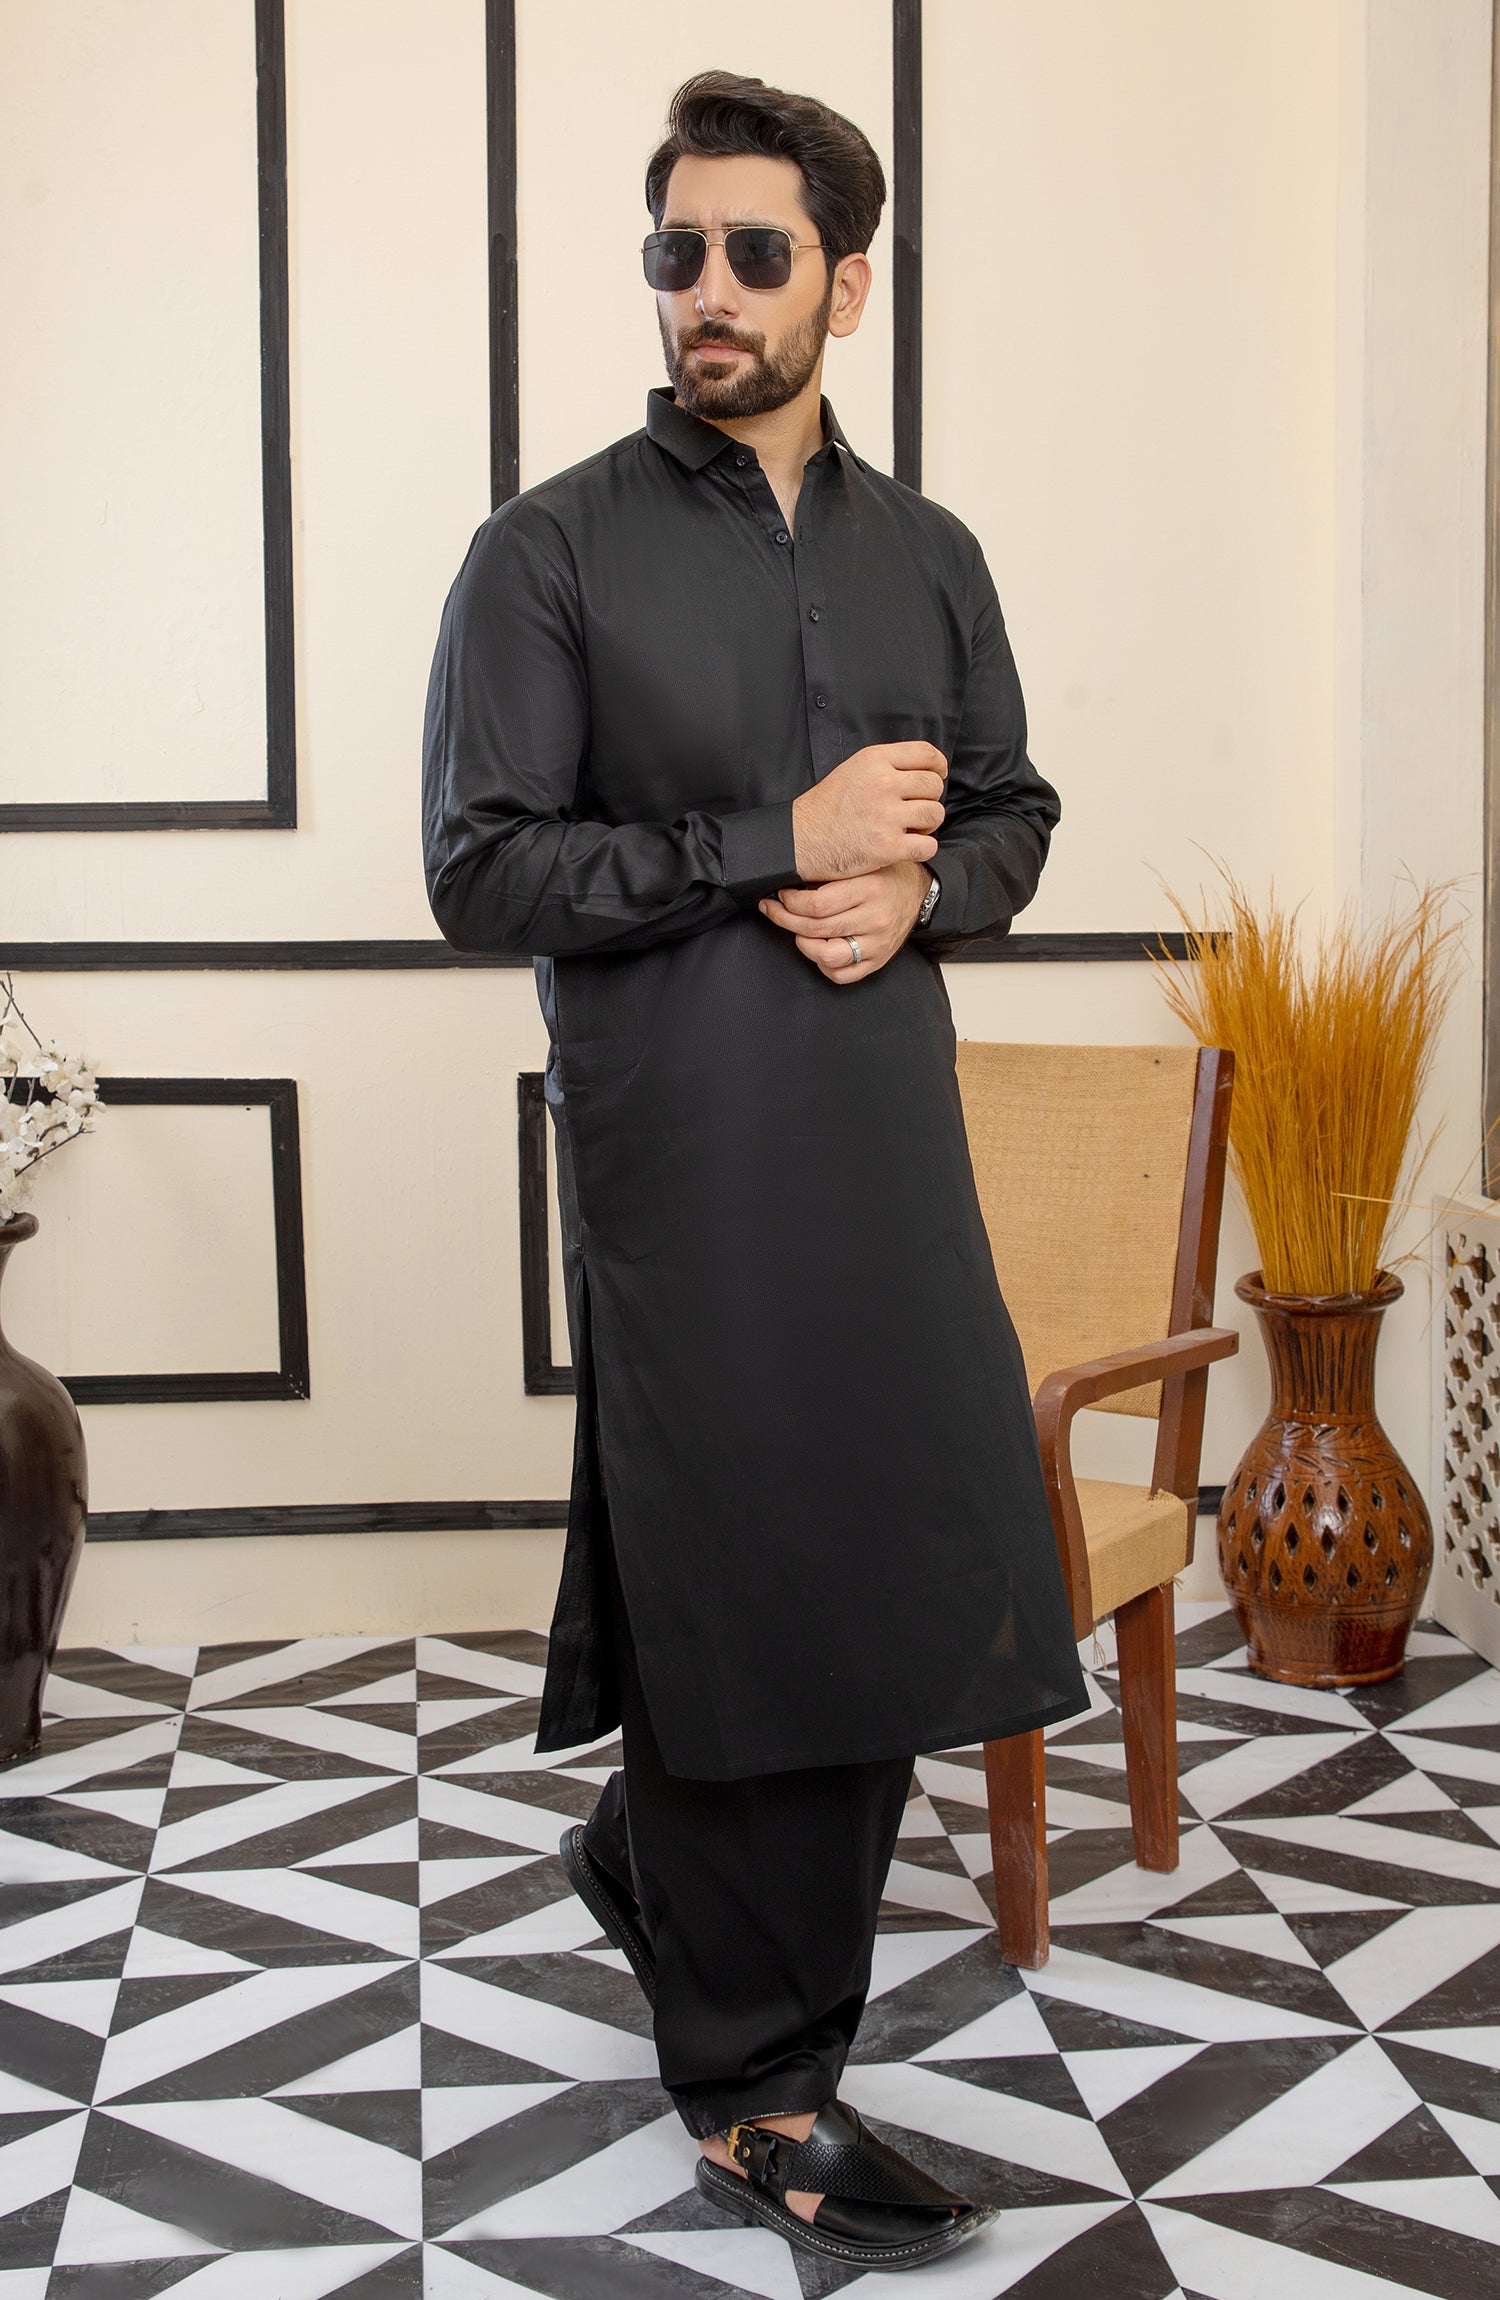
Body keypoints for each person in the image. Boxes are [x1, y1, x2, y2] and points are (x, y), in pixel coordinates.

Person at [422, 68, 1088, 2274]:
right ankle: (763, 2094)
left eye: (753, 253)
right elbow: (480, 868)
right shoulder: (548, 553)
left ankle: (657, 1869)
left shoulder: (932, 555)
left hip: (887, 1148)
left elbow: (1014, 809)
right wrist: (765, 840)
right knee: (735, 1576)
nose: (705, 289)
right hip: (684, 1164)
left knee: (886, 1568)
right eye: (676, 250)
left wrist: (927, 892)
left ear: (846, 285)